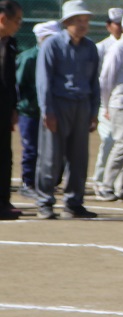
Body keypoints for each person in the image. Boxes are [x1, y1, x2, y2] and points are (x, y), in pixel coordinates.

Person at [34, 0, 102, 220]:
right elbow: (43, 80)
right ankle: (45, 202)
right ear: (67, 23)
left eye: (85, 21)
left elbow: (94, 82)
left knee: (79, 157)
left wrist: (94, 111)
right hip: (58, 104)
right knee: (50, 156)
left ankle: (74, 203)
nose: (83, 25)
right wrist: (47, 111)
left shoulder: (90, 47)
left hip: (82, 105)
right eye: (78, 21)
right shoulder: (51, 45)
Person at [16, 20, 58, 205]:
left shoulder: (58, 57)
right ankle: (28, 183)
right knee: (32, 149)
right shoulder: (29, 57)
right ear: (41, 38)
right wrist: (21, 105)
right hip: (30, 112)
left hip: (50, 111)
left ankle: (45, 183)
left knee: (49, 150)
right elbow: (18, 85)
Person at [90, 7, 123, 184]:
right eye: (116, 24)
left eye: (122, 23)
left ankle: (115, 182)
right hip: (105, 101)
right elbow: (97, 77)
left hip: (122, 102)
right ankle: (100, 179)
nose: (119, 27)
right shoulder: (101, 47)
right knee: (109, 140)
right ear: (109, 26)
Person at [0, 0, 20, 219]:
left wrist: (13, 107)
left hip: (4, 109)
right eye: (16, 20)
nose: (19, 25)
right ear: (3, 19)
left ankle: (3, 202)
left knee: (5, 155)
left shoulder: (11, 44)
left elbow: (11, 79)